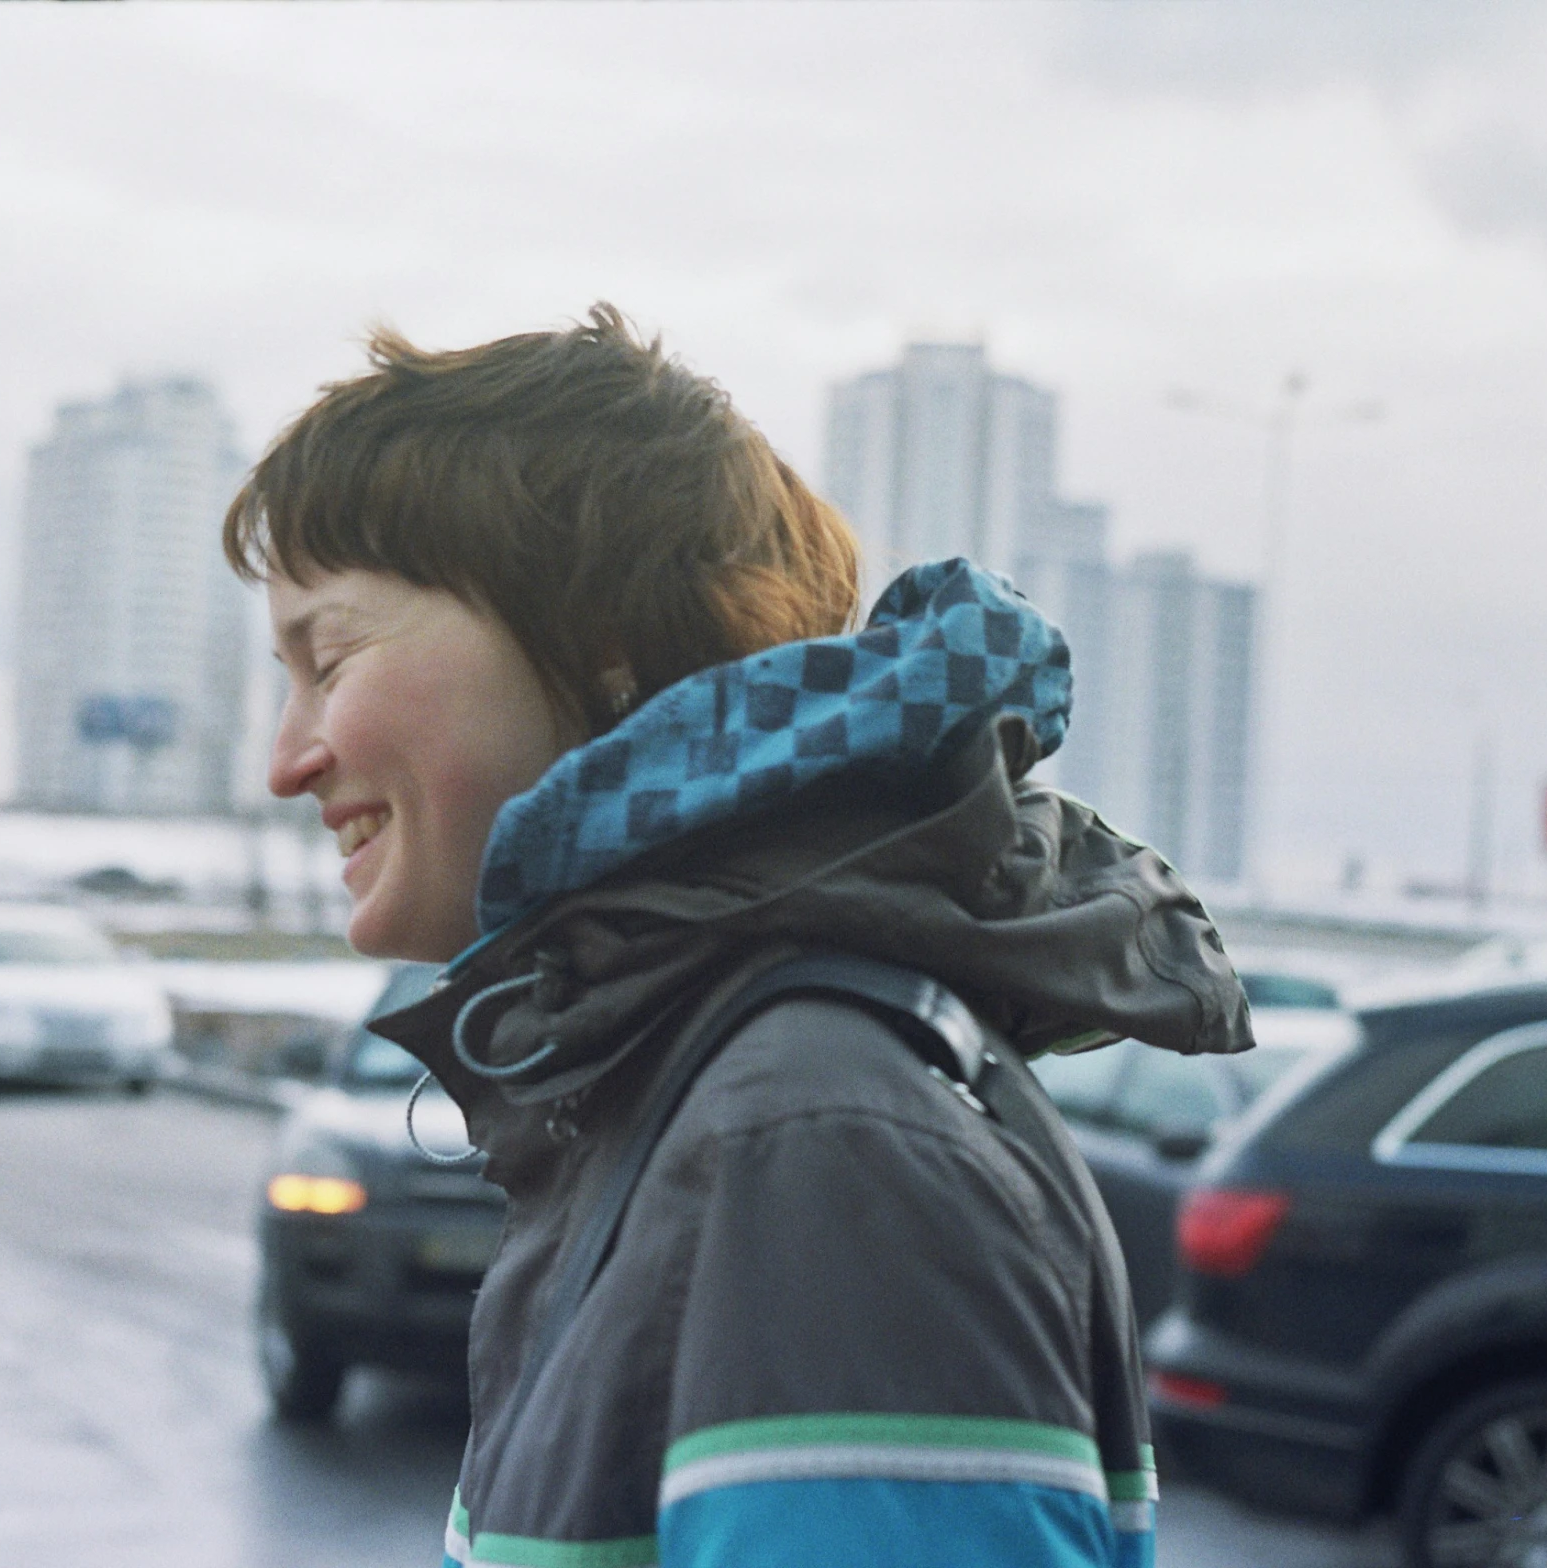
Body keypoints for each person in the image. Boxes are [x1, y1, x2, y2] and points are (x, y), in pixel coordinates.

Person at [225, 304, 1252, 1568]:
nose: (286, 760)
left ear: (602, 641)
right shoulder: (692, 1081)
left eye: (328, 658)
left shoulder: (816, 1142)